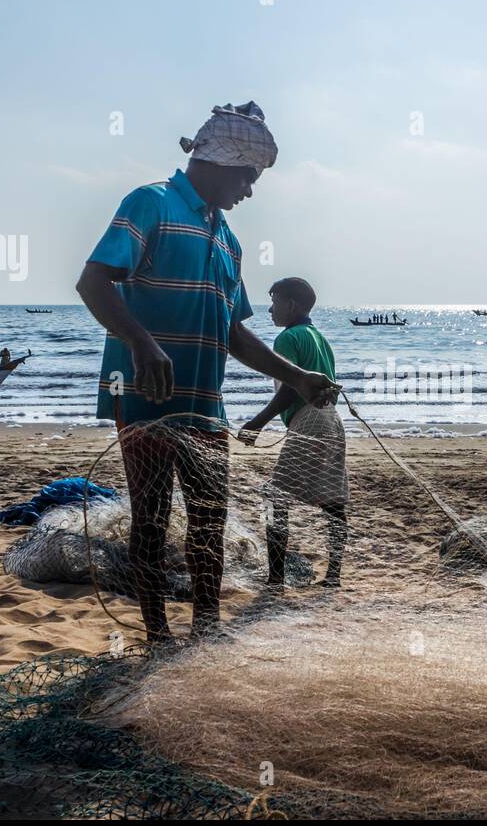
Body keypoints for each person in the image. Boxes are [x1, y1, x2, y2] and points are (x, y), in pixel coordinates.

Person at [76, 102, 338, 644]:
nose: (249, 189)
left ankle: (206, 627)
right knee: (150, 520)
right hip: (147, 399)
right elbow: (93, 282)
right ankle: (156, 635)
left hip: (205, 403)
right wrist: (141, 343)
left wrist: (298, 379)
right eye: (248, 176)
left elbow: (234, 333)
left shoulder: (228, 241)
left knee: (208, 521)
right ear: (221, 161)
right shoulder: (151, 203)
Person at [240, 277, 348, 588]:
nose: (270, 310)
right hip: (332, 420)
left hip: (308, 420)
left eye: (274, 302)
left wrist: (257, 423)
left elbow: (291, 387)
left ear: (291, 305)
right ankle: (334, 576)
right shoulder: (319, 338)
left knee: (274, 496)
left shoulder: (288, 338)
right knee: (333, 501)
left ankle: (275, 579)